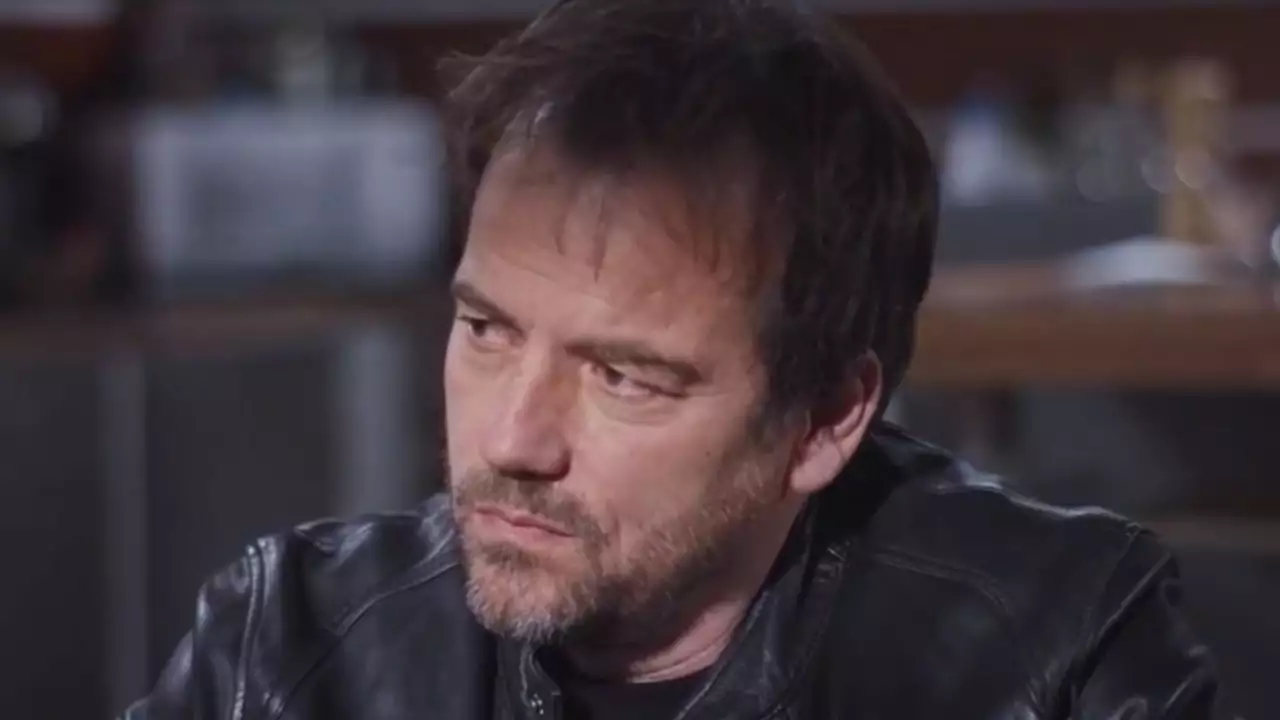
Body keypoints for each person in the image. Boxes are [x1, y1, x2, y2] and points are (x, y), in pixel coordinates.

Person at [123, 1, 1229, 718]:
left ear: (824, 419)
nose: (512, 439)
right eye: (486, 330)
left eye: (624, 377)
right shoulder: (287, 656)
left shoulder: (1054, 655)